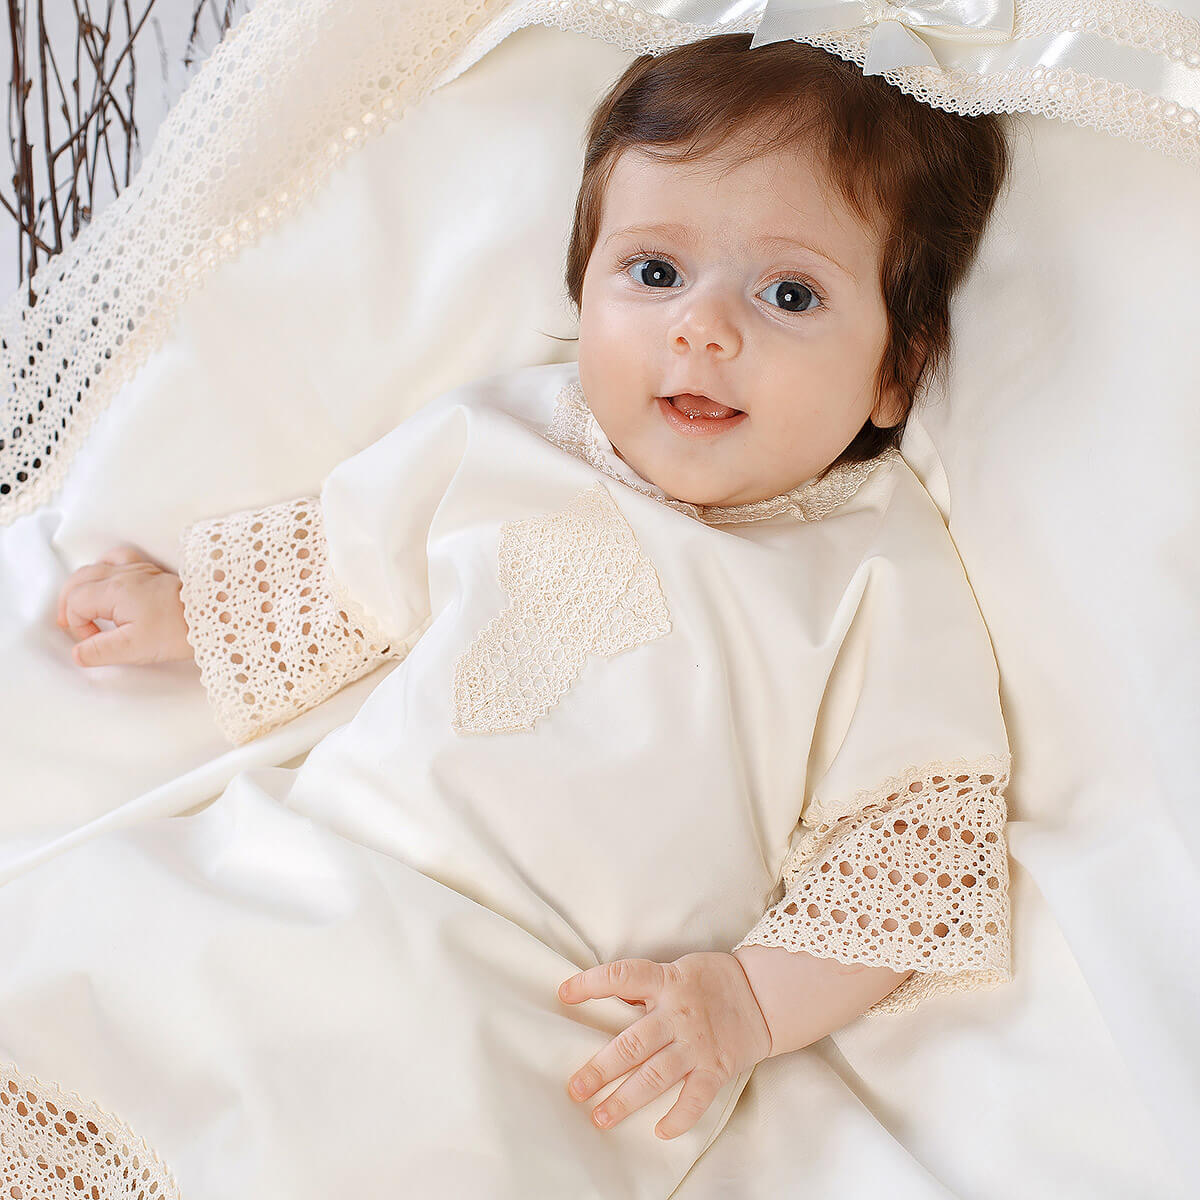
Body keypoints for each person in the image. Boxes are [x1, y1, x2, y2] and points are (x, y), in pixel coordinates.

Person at [30, 33, 1011, 1197]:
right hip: (325, 863)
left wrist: (752, 1000)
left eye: (788, 292)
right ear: (581, 289)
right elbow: (350, 564)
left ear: (897, 370)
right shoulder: (508, 436)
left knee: (402, 1145)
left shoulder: (874, 568)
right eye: (653, 273)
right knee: (108, 986)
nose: (701, 327)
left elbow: (918, 841)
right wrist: (190, 609)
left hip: (536, 1001)